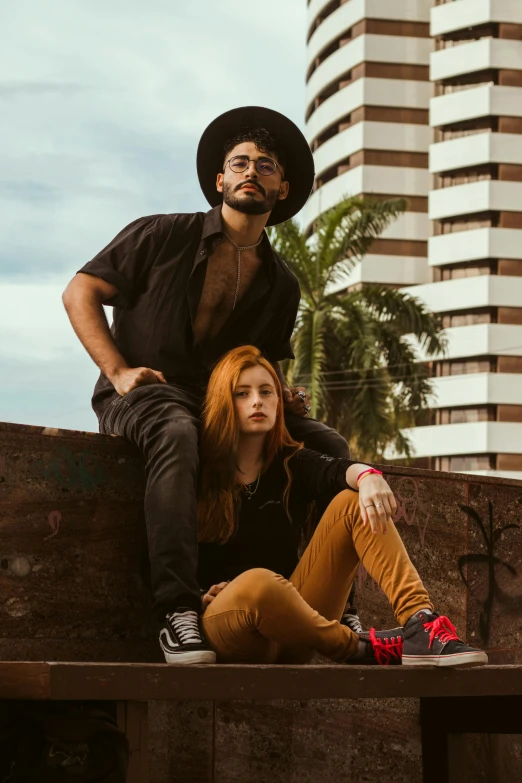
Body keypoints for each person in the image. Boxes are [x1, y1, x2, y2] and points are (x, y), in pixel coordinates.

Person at [62, 106, 352, 665]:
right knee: (177, 432)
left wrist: (279, 394)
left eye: (265, 165)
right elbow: (79, 292)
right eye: (238, 163)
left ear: (282, 187)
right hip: (146, 391)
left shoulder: (281, 283)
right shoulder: (161, 233)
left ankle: (339, 604)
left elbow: (260, 363)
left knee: (328, 446)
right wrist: (119, 371)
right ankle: (177, 609)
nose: (251, 171)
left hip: (223, 399)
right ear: (220, 181)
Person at [190, 345, 488, 668]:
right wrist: (198, 594)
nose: (257, 401)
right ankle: (357, 647)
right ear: (224, 401)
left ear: (279, 400)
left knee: (350, 500)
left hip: (295, 631)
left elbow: (333, 471)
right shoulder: (197, 471)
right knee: (258, 584)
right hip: (229, 627)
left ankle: (420, 624)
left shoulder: (290, 464)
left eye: (266, 391)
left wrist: (369, 477)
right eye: (242, 393)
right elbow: (164, 559)